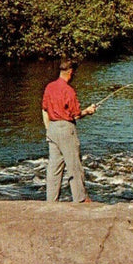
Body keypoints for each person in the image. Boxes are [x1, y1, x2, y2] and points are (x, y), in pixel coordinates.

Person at [41, 58, 97, 203]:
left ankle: (51, 200)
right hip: (66, 129)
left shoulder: (49, 87)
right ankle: (81, 199)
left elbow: (44, 109)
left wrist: (48, 129)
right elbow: (77, 114)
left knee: (54, 168)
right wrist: (89, 111)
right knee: (74, 166)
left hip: (52, 128)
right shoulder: (68, 90)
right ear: (70, 72)